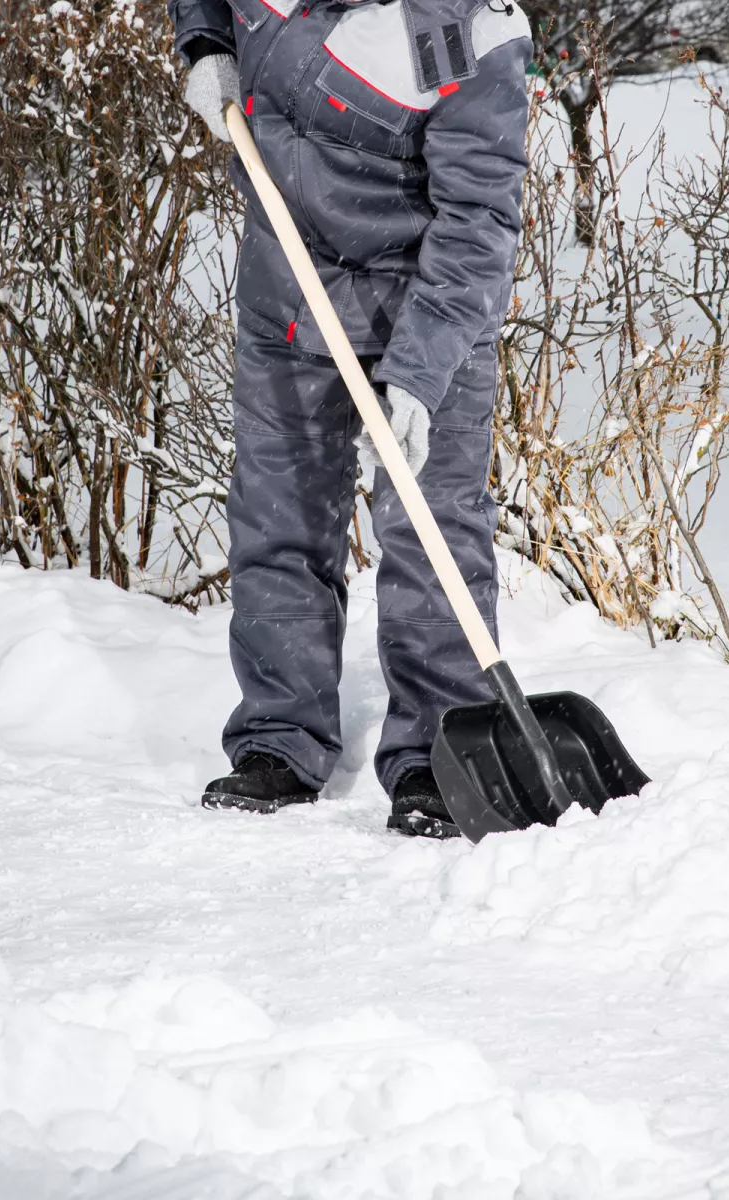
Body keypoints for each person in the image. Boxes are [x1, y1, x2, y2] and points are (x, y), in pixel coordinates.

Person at [167, 0, 530, 836]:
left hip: (425, 311)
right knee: (278, 515)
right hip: (286, 294)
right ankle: (278, 740)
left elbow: (479, 222)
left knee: (432, 528)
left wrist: (419, 377)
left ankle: (441, 750)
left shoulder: (473, 28)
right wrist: (206, 44)